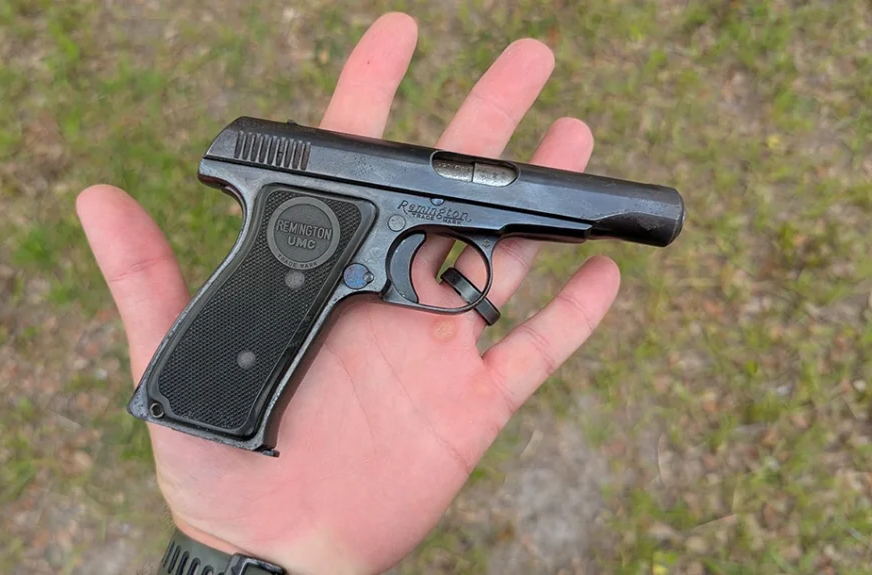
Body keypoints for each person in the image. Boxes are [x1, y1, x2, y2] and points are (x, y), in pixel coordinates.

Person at [76, 11, 621, 575]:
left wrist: (227, 542)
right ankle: (207, 411)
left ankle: (207, 409)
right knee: (283, 282)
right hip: (323, 195)